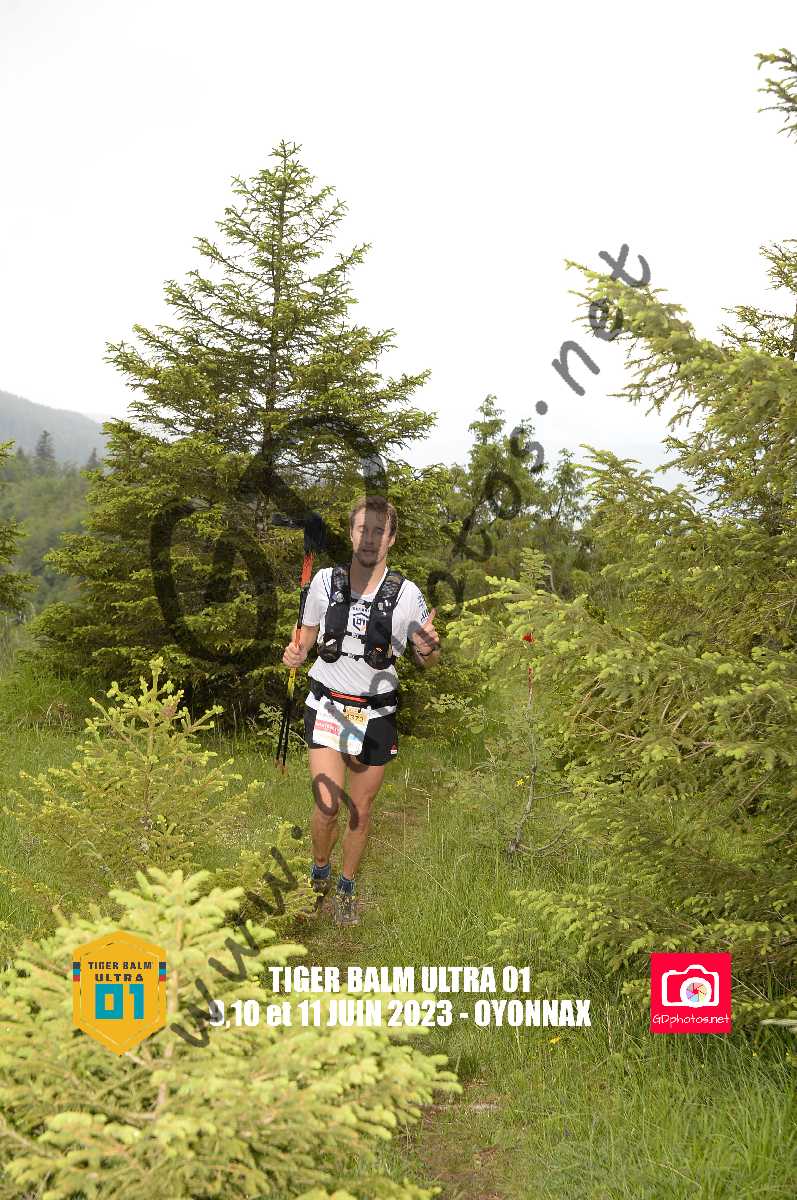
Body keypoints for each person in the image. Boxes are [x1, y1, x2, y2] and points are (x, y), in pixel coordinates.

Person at [281, 495, 440, 926]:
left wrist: (428, 648)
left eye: (378, 531)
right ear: (351, 534)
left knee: (360, 810)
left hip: (376, 713)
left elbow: (427, 657)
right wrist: (295, 652)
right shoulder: (325, 582)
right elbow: (306, 635)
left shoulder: (407, 595)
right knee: (327, 804)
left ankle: (347, 887)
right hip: (329, 705)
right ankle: (320, 870)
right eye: (361, 529)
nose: (369, 538)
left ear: (391, 539)